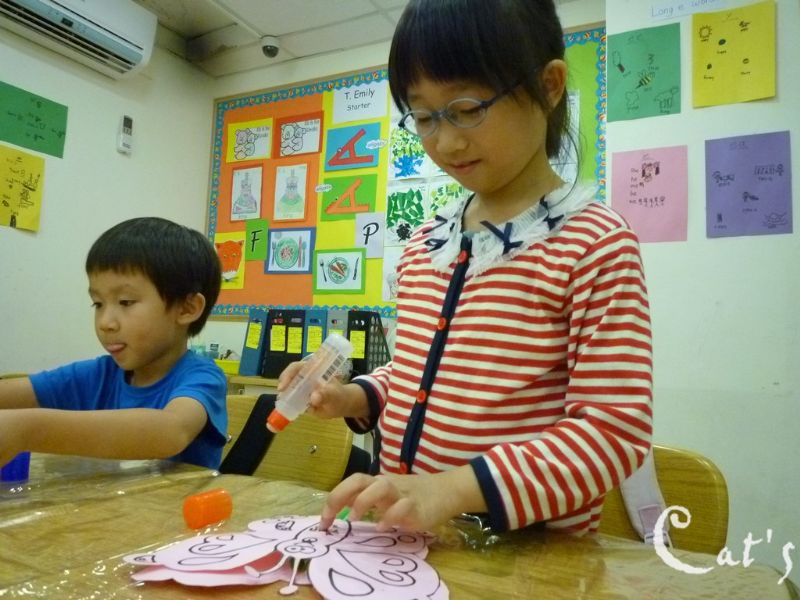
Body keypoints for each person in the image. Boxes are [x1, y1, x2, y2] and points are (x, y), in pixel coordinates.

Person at [281, 0, 653, 535]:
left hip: (526, 556)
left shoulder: (593, 244)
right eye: (425, 117)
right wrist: (354, 395)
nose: (447, 142)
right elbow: (417, 374)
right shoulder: (425, 244)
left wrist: (450, 489)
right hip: (407, 542)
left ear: (548, 86)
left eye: (468, 108)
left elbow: (612, 433)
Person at [0, 217, 228, 470]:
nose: (105, 323)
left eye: (126, 302)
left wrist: (25, 430)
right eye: (98, 304)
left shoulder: (202, 377)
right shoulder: (99, 375)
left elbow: (171, 431)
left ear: (187, 308)